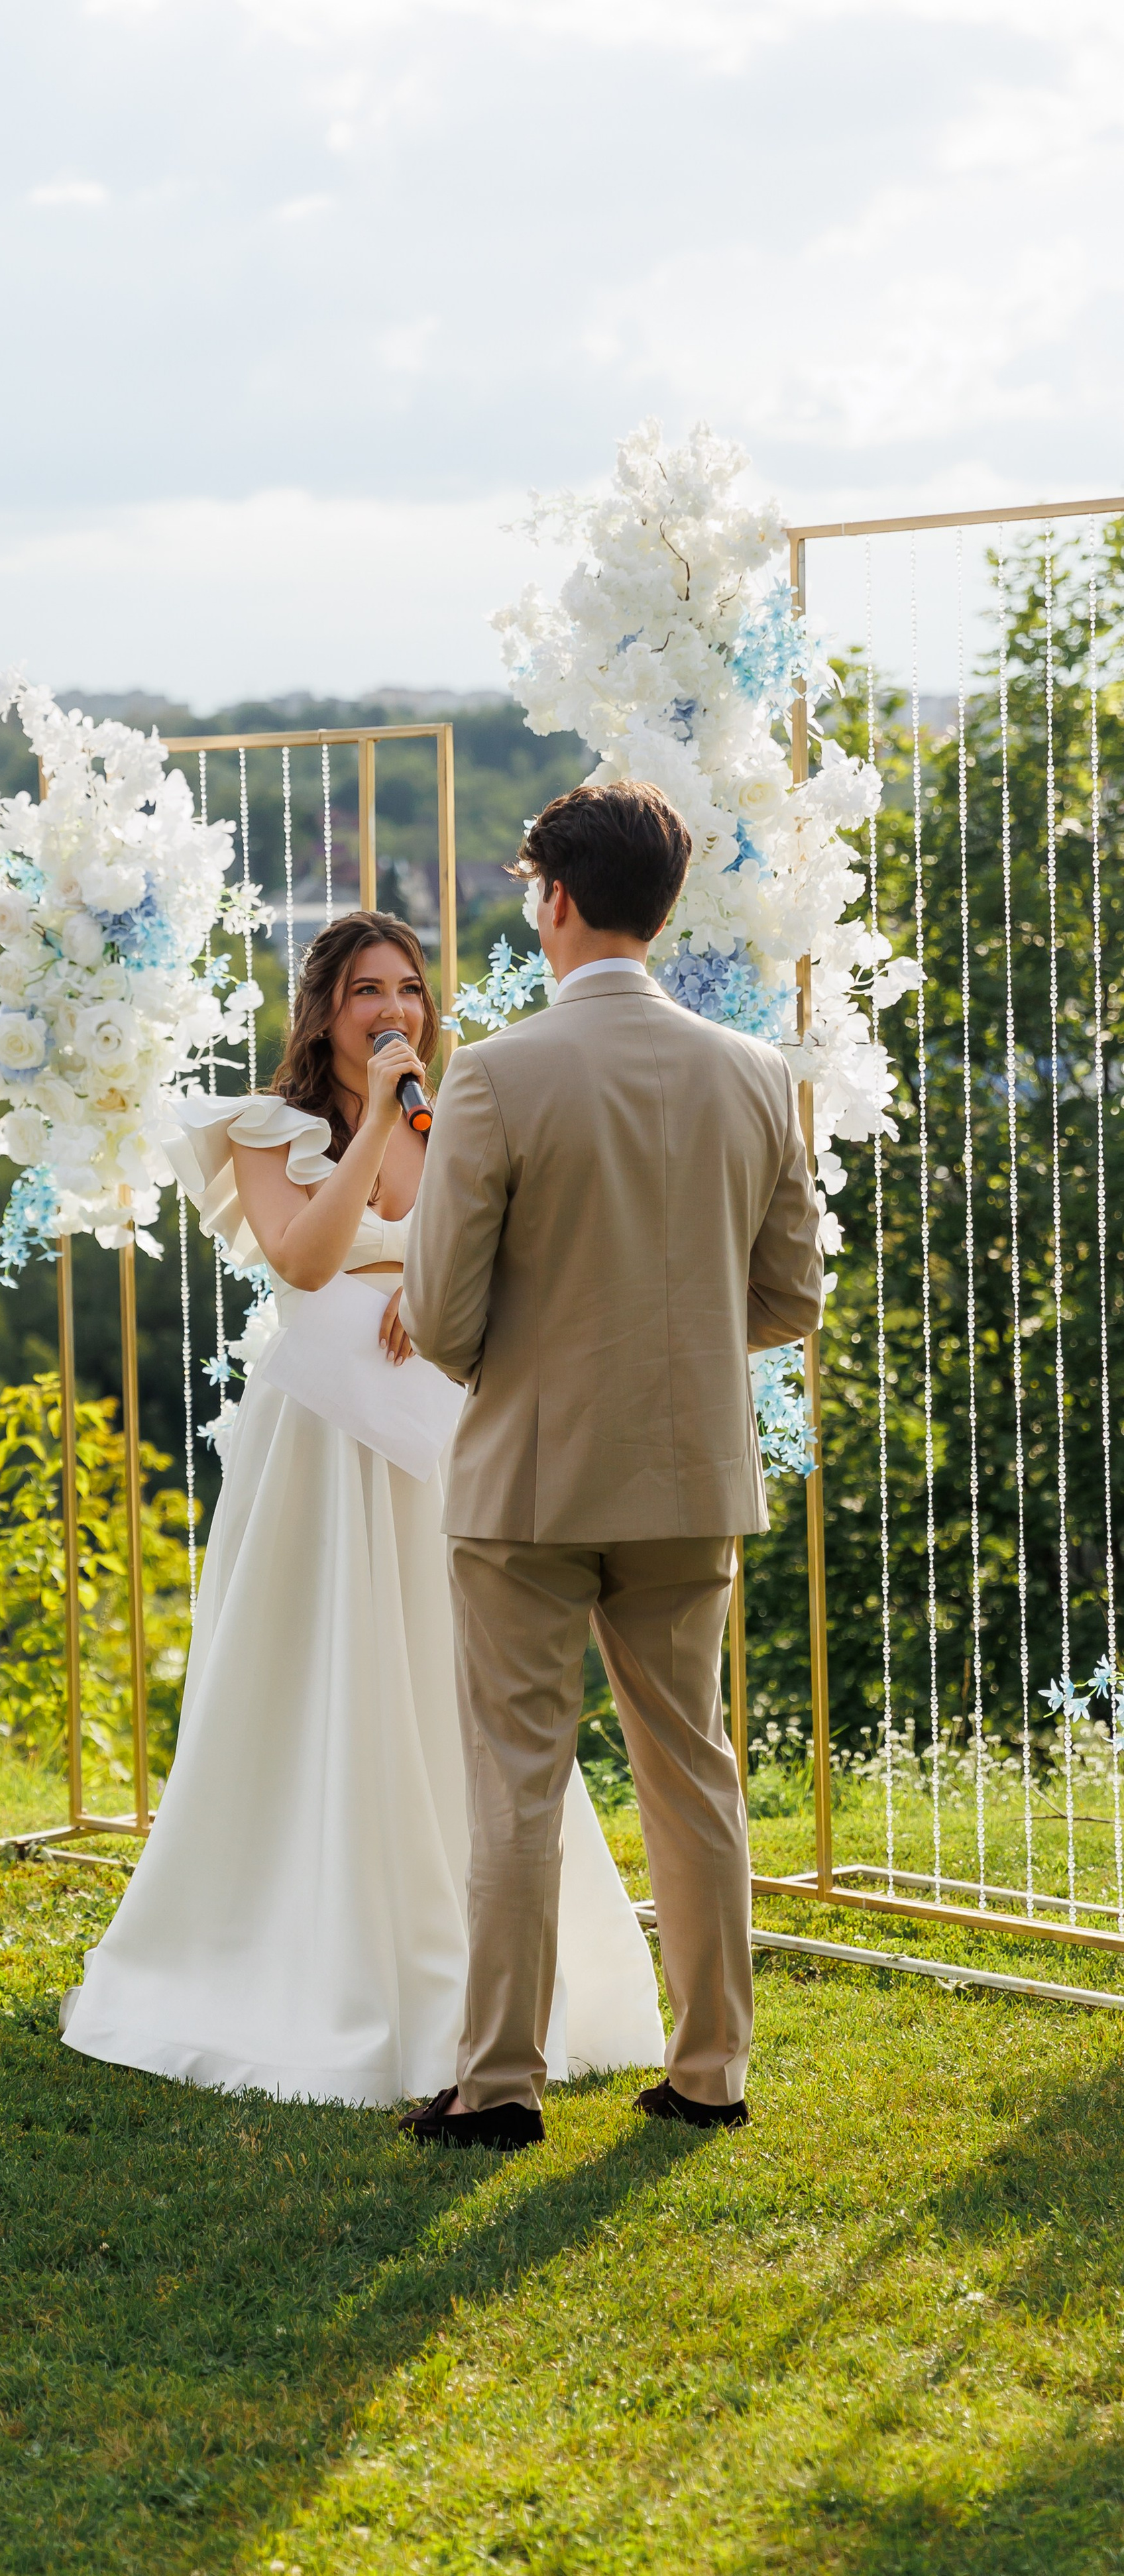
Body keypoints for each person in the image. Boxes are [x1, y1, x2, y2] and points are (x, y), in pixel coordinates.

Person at [60, 910, 667, 2108]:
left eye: (409, 991)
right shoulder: (265, 1130)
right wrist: (383, 1126)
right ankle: (294, 1945)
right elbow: (304, 1257)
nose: (394, 1011)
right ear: (323, 1011)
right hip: (325, 1444)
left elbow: (518, 1265)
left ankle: (493, 1975)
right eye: (365, 992)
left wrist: (439, 1292)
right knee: (317, 1677)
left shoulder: (469, 1118)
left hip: (438, 1435)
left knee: (455, 1684)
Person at [398, 780, 825, 2151]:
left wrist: (529, 1369)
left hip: (526, 1474)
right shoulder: (755, 1075)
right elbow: (790, 1296)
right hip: (686, 1469)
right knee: (689, 1770)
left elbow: (446, 1316)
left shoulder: (495, 1074)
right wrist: (679, 1345)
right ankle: (711, 2072)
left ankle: (498, 2086)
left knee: (518, 1773)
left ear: (556, 899)